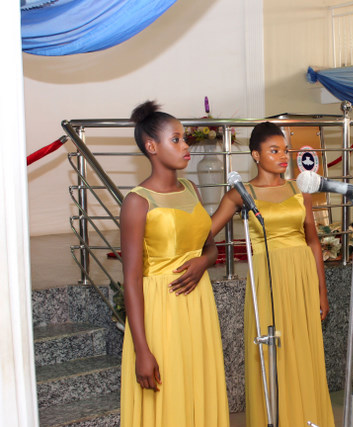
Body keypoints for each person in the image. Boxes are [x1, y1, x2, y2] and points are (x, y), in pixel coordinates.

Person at [210, 122, 335, 427]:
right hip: (268, 280)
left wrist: (321, 291)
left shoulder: (299, 188)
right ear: (256, 155)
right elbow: (205, 233)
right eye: (274, 150)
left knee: (303, 353)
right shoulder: (241, 194)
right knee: (273, 352)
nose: (283, 156)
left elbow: (313, 241)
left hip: (302, 277)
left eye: (285, 150)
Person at [120, 101, 229, 427]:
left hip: (198, 304)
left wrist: (202, 263)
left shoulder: (191, 189)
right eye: (176, 139)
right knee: (168, 399)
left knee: (197, 387)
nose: (185, 147)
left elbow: (210, 248)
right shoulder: (137, 201)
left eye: (184, 139)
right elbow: (131, 279)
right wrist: (142, 350)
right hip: (161, 309)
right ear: (151, 146)